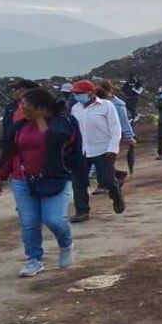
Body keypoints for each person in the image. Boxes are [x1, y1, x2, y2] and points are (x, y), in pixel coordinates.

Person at [0, 88, 81, 277]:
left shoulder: (64, 122)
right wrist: (0, 176)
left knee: (54, 219)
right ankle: (34, 259)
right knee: (30, 221)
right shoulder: (20, 126)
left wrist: (40, 120)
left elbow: (56, 140)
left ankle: (66, 245)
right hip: (23, 179)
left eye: (25, 105)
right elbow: (9, 151)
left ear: (40, 107)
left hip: (55, 178)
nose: (21, 108)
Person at [69, 80, 125, 223]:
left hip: (103, 149)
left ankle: (116, 195)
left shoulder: (107, 106)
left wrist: (113, 148)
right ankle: (82, 211)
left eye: (80, 93)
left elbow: (115, 128)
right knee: (79, 182)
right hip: (82, 151)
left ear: (91, 92)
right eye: (75, 94)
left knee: (106, 179)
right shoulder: (76, 108)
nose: (77, 96)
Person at [96, 80, 134, 179]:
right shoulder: (97, 103)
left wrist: (129, 136)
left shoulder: (117, 105)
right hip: (100, 136)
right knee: (100, 162)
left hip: (112, 136)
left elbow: (123, 121)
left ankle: (105, 184)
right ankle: (116, 176)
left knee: (105, 160)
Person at [2, 80, 40, 150]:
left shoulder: (39, 107)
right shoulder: (10, 107)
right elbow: (6, 126)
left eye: (20, 89)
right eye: (16, 89)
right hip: (10, 146)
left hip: (29, 146)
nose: (17, 92)